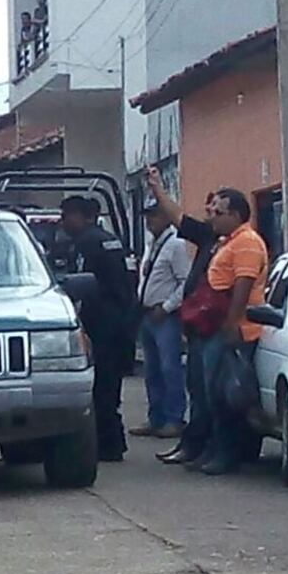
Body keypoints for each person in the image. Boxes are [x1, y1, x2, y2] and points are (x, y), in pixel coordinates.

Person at [148, 170, 220, 466]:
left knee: (213, 392)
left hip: (219, 328)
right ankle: (194, 445)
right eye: (209, 208)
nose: (210, 213)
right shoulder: (206, 236)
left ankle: (213, 448)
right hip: (198, 325)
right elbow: (179, 217)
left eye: (217, 210)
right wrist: (157, 189)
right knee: (198, 389)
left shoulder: (242, 244)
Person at [194, 188, 268, 475]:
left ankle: (227, 453)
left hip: (234, 330)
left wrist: (233, 322)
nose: (213, 218)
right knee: (213, 391)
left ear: (236, 215)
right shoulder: (228, 242)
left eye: (219, 213)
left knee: (226, 394)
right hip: (216, 326)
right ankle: (217, 448)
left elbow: (243, 284)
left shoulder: (247, 242)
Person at [60, 196, 137, 462]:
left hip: (100, 322)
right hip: (120, 319)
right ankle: (112, 441)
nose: (63, 222)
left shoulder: (87, 243)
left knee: (100, 386)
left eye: (66, 215)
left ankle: (108, 443)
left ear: (81, 215)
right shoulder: (111, 240)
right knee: (109, 385)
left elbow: (81, 286)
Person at [129, 199, 190, 439]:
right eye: (147, 216)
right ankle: (156, 418)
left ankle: (175, 419)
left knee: (169, 368)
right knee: (152, 369)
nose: (149, 220)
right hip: (147, 314)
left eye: (154, 215)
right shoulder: (151, 244)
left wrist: (166, 307)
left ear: (166, 217)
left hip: (165, 316)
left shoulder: (175, 245)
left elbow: (185, 283)